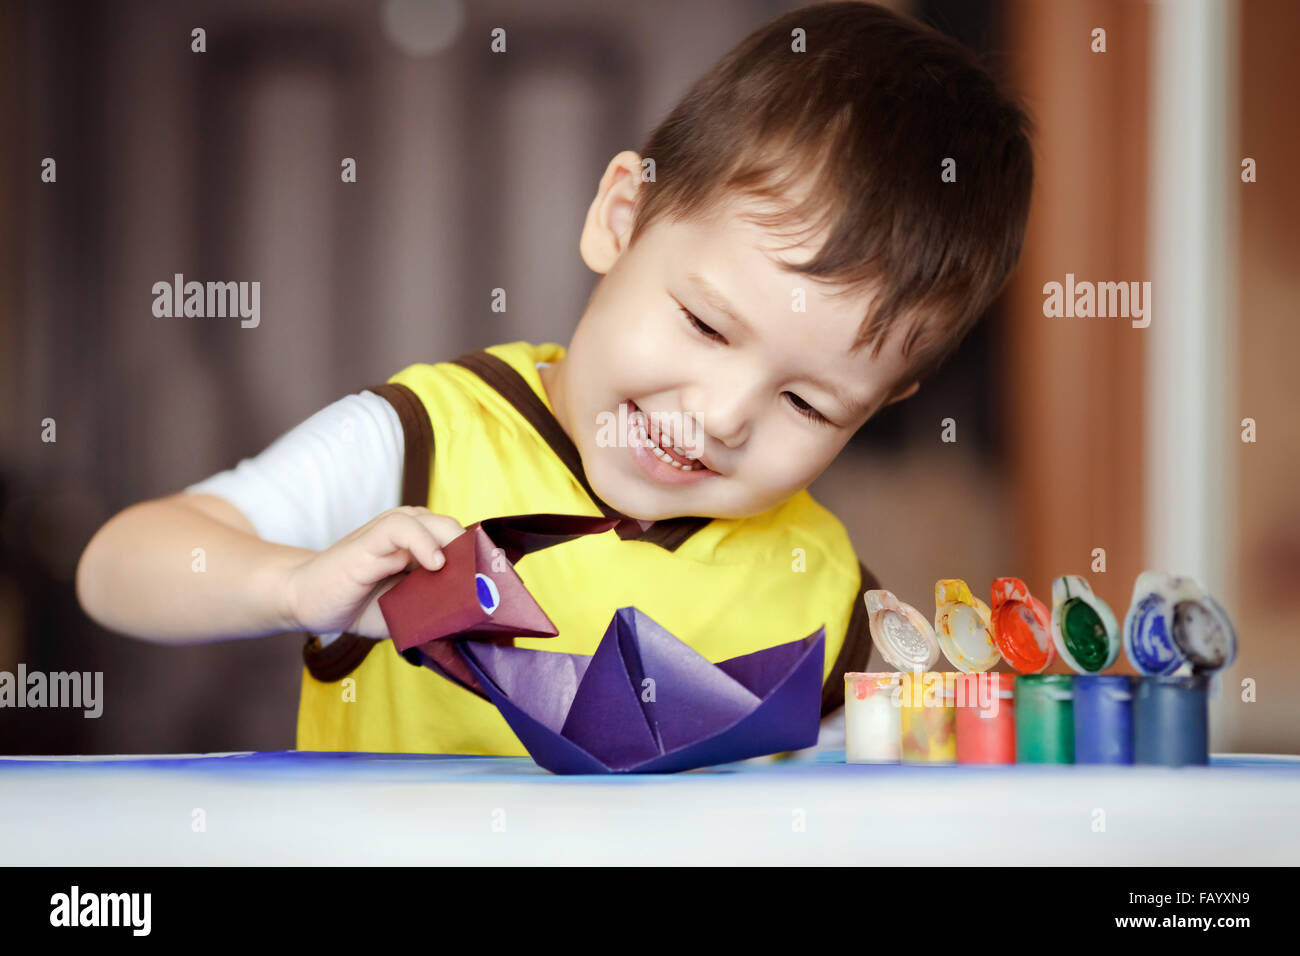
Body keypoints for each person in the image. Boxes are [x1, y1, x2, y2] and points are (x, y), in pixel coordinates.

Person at [75, 1, 1033, 755]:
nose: (722, 417)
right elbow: (119, 565)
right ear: (620, 218)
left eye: (807, 402)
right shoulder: (417, 442)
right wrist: (293, 586)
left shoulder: (829, 599)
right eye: (704, 323)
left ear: (876, 409)